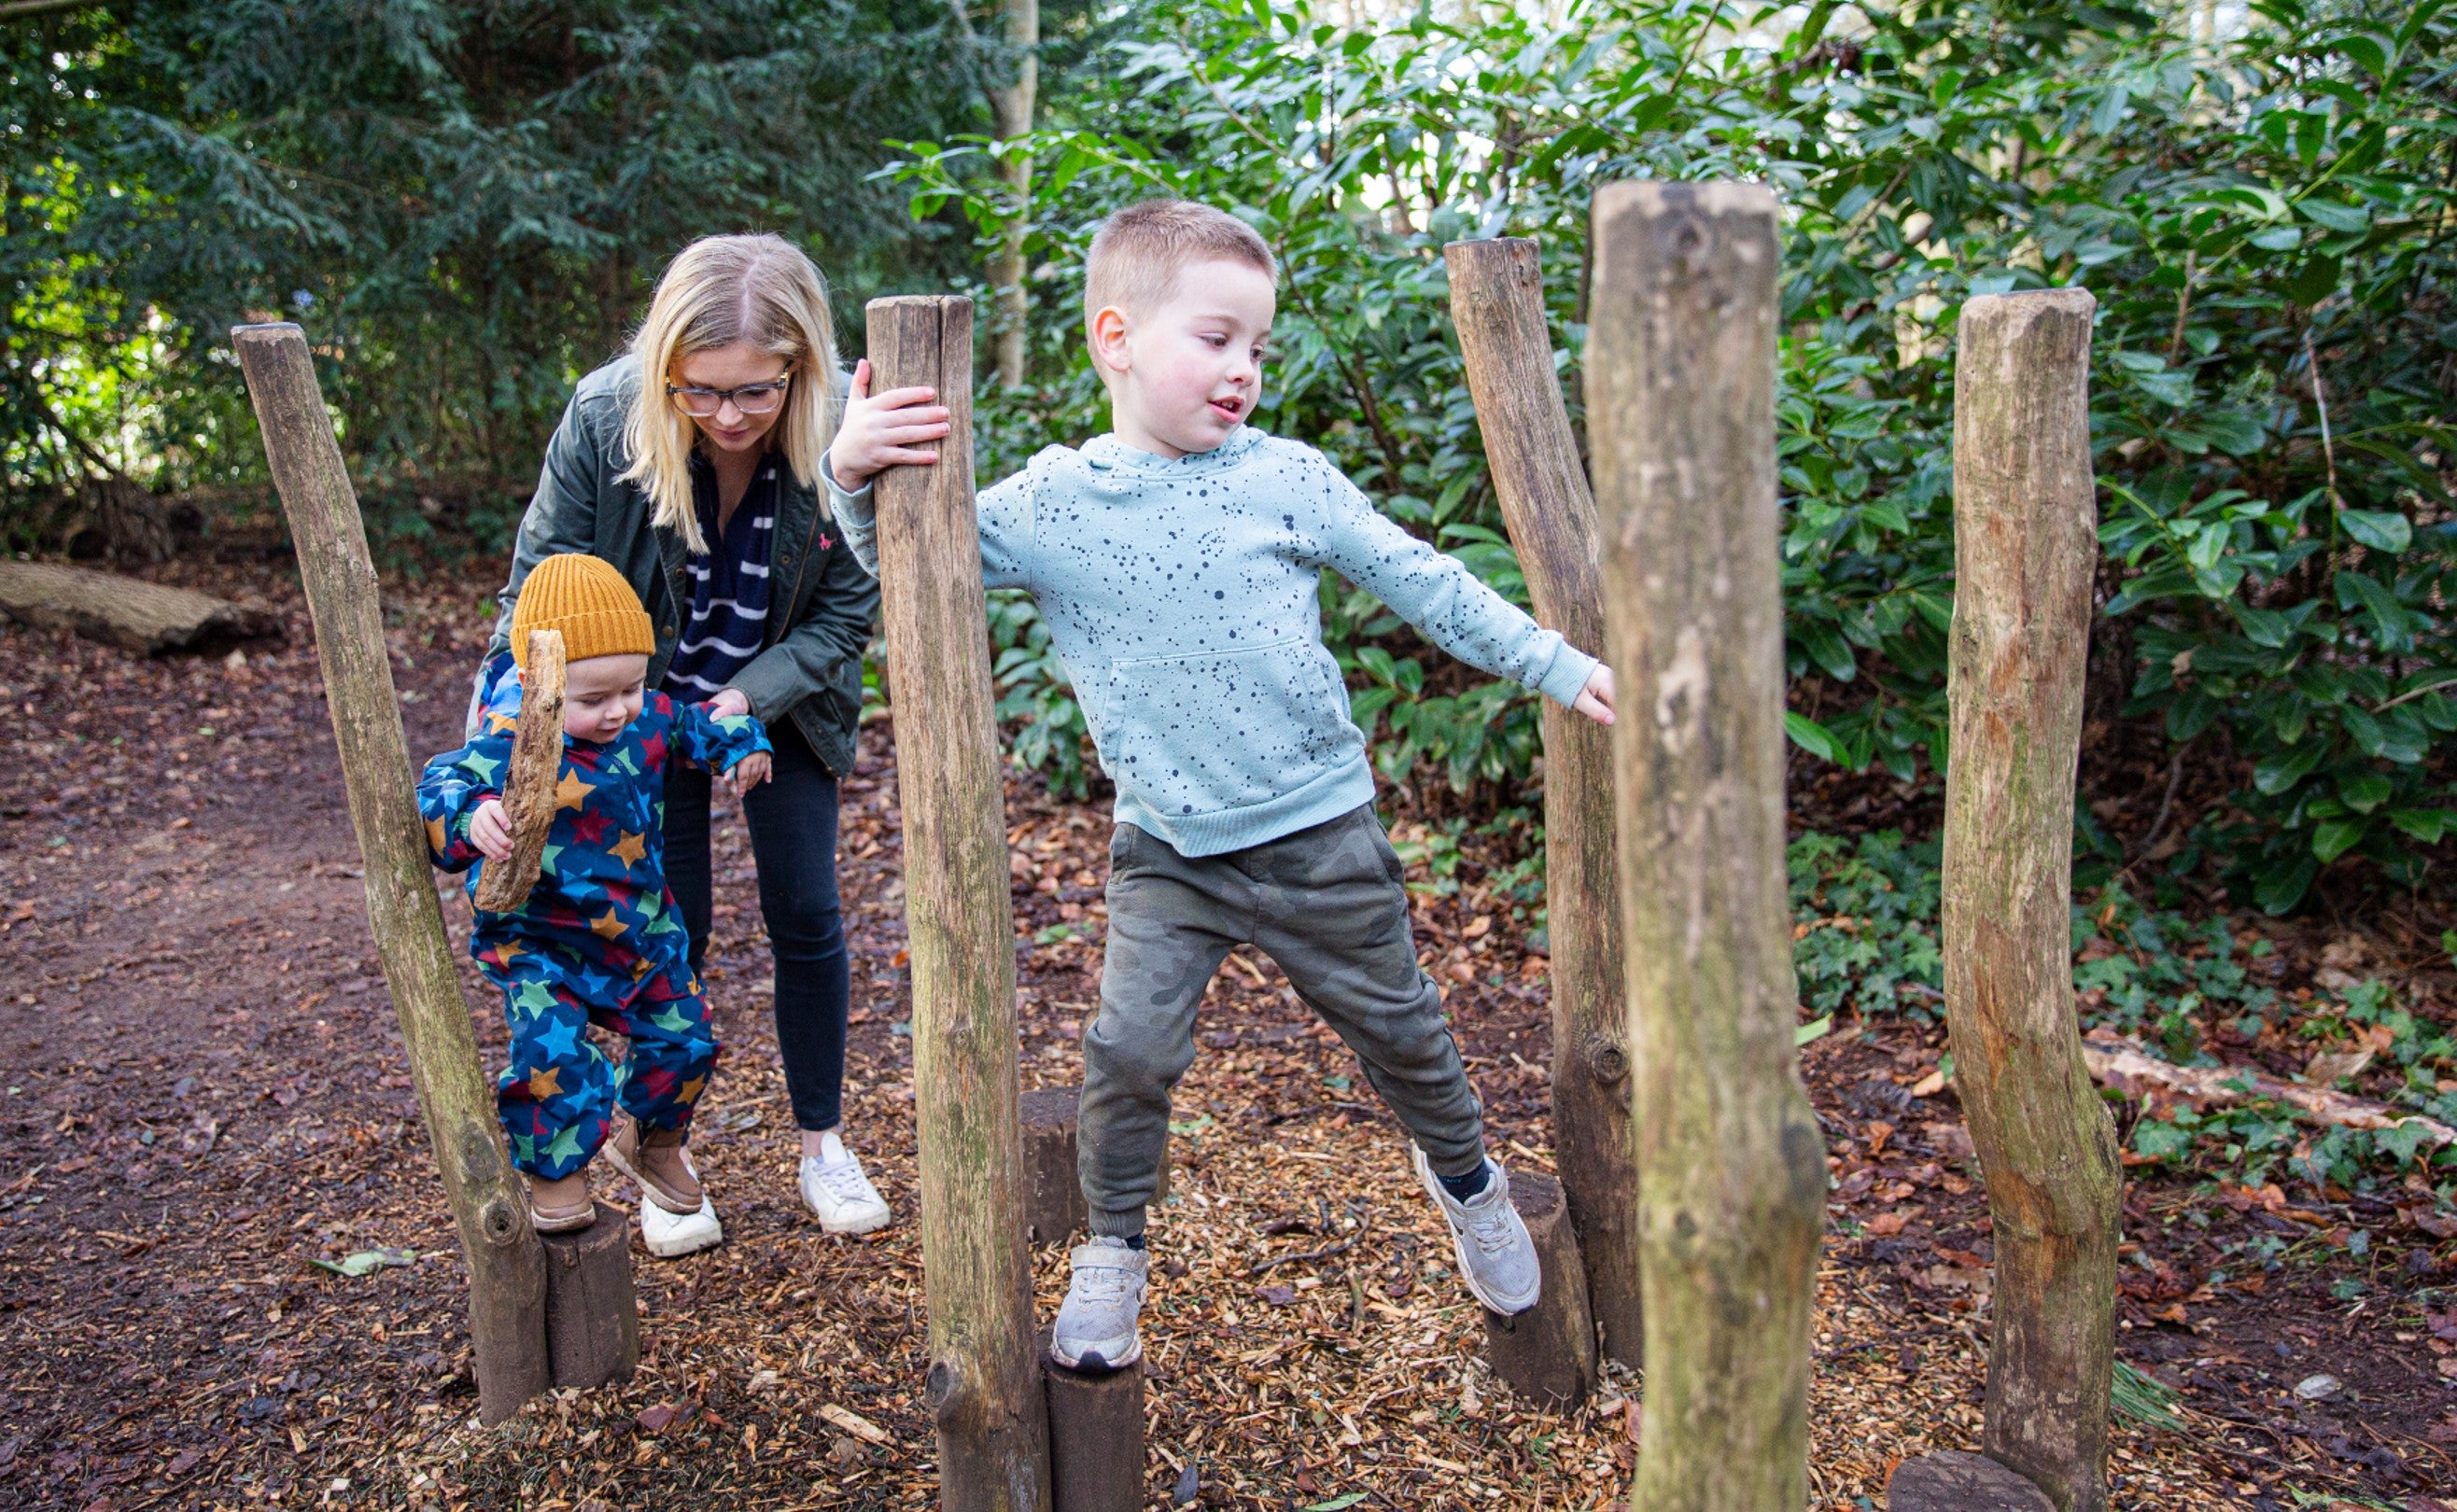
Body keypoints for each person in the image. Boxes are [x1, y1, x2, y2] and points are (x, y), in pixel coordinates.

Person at [824, 199, 1621, 1371]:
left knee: (1406, 1032)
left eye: (1258, 346)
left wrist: (1554, 663)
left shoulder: (1286, 479)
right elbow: (905, 553)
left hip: (1320, 835)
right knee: (1129, 1054)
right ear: (1117, 337)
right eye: (1215, 339)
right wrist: (850, 473)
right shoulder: (1051, 509)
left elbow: (1422, 579)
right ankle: (1114, 1248)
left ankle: (1467, 1182)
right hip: (1170, 853)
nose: (1243, 369)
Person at [475, 233, 894, 1243]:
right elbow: (535, 594)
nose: (727, 416)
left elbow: (848, 613)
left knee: (807, 910)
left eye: (757, 392)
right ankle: (664, 1145)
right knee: (666, 926)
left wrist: (744, 702)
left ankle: (823, 1146)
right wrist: (501, 756)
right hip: (634, 710)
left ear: (800, 367)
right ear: (665, 366)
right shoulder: (606, 415)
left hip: (776, 701)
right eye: (699, 391)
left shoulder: (843, 416)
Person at [421, 554, 773, 1253]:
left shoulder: (642, 723)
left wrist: (743, 741)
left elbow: (699, 723)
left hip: (638, 931)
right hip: (540, 942)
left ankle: (651, 1136)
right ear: (535, 684)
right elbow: (440, 789)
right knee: (551, 1054)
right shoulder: (504, 744)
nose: (616, 710)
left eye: (631, 688)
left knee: (688, 1038)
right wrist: (471, 821)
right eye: (591, 699)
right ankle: (558, 1172)